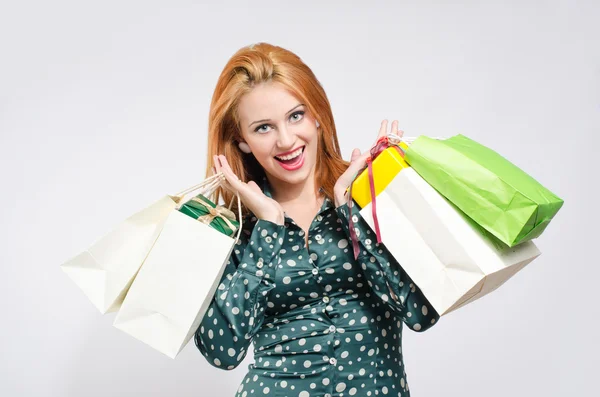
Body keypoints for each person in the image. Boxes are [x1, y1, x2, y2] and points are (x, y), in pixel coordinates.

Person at [194, 42, 440, 397]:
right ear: (242, 140)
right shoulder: (233, 227)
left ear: (317, 114)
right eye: (263, 128)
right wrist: (267, 227)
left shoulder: (368, 195)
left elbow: (420, 312)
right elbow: (222, 352)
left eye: (296, 116)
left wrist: (348, 210)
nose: (286, 140)